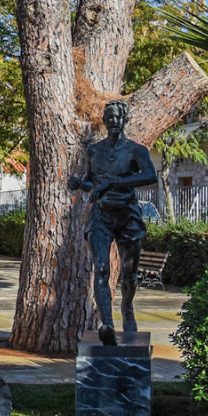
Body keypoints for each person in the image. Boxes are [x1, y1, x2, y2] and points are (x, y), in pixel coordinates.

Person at [68, 99, 157, 345]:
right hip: (101, 216)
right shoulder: (94, 151)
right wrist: (80, 184)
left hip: (128, 215)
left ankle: (127, 309)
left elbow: (151, 176)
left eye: (119, 117)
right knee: (101, 268)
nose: (114, 121)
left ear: (125, 120)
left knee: (129, 274)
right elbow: (92, 182)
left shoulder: (136, 150)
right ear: (104, 120)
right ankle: (107, 323)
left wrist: (114, 183)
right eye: (110, 117)